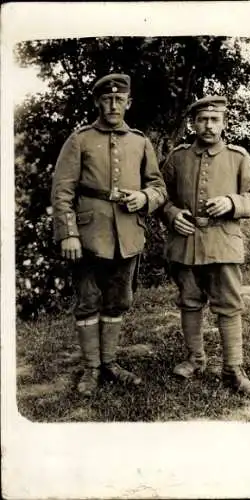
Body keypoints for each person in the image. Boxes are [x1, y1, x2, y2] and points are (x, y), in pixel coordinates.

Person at [51, 73, 167, 396]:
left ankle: (110, 362)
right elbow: (62, 191)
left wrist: (145, 198)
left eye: (119, 99)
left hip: (128, 234)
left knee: (119, 300)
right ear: (97, 102)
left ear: (128, 103)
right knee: (88, 299)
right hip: (88, 236)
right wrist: (68, 234)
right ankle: (91, 367)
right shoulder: (80, 140)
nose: (113, 104)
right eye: (107, 99)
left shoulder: (140, 142)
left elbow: (158, 187)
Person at [161, 95, 250, 397]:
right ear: (193, 123)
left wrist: (232, 202)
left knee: (229, 305)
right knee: (189, 300)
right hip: (186, 242)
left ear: (224, 123)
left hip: (223, 243)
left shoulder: (238, 157)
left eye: (214, 120)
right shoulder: (178, 157)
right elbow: (159, 195)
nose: (208, 125)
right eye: (202, 120)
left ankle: (233, 369)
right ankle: (195, 359)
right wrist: (172, 214)